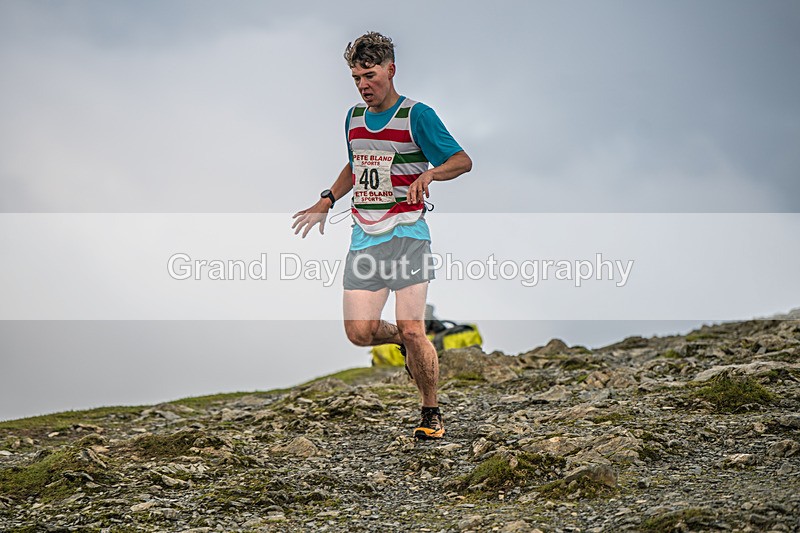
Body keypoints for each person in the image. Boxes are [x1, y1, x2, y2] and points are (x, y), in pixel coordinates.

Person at [292, 31, 472, 439]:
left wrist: (430, 172)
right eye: (356, 77)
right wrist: (327, 198)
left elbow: (462, 160)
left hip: (408, 232)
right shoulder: (354, 118)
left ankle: (431, 413)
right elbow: (355, 165)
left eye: (370, 75)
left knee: (412, 327)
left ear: (391, 70)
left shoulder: (417, 116)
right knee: (360, 334)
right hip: (365, 237)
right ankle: (406, 347)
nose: (363, 85)